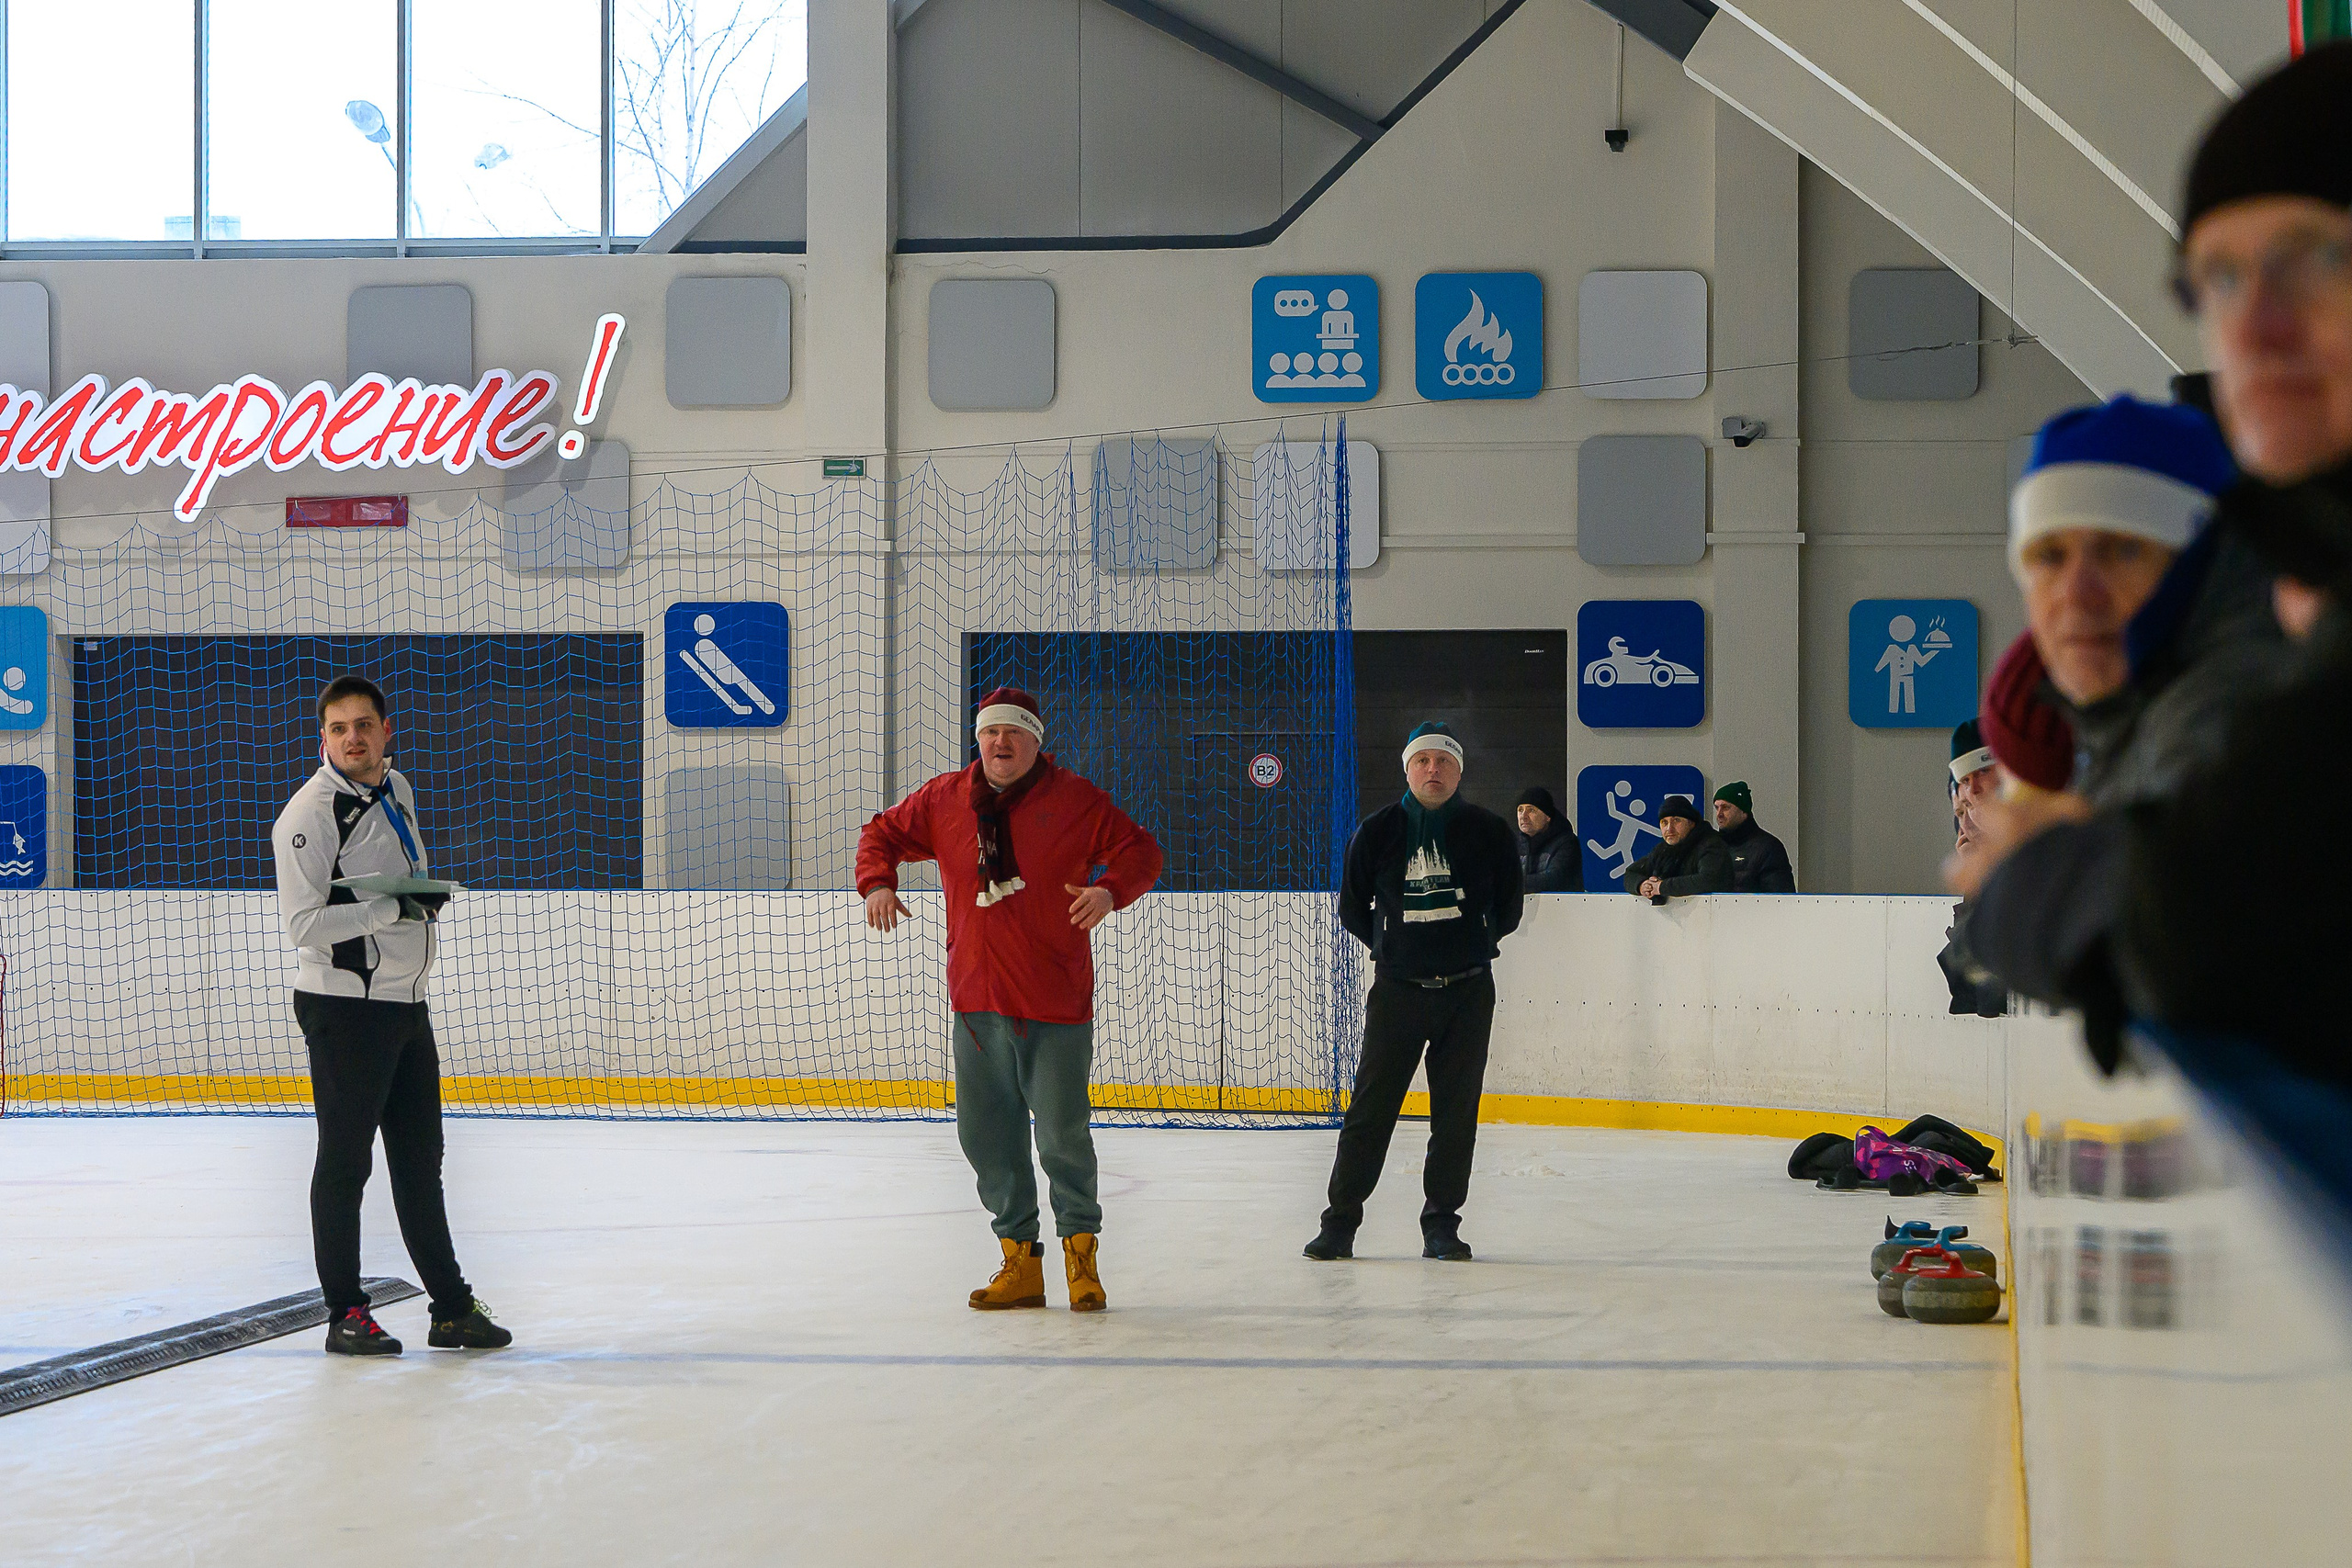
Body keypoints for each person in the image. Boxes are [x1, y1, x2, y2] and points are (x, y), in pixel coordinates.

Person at [857, 688, 1162, 1313]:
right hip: (976, 1004)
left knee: (1060, 1137)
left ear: (1036, 741)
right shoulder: (944, 799)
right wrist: (877, 884)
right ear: (978, 739)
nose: (1001, 743)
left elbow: (1142, 852)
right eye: (991, 733)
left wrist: (1109, 891)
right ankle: (1019, 1262)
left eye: (1014, 734)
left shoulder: (1076, 800)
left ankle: (1081, 1259)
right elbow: (880, 834)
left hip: (1054, 1003)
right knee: (988, 1138)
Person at [271, 675, 511, 1358]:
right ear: (322, 737)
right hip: (345, 1011)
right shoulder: (307, 818)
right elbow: (302, 924)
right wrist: (390, 908)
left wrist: (415, 900)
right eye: (340, 728)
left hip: (405, 1006)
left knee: (419, 1163)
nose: (353, 737)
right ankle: (345, 1312)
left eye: (365, 725)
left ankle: (452, 1309)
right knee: (345, 1165)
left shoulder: (396, 787)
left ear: (385, 731)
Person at [1306, 722, 1523, 1263]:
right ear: (1407, 769)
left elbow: (1510, 908)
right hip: (1398, 993)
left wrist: (1473, 942)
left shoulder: (1489, 831)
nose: (1433, 770)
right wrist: (1394, 946)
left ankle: (1441, 1225)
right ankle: (1340, 1223)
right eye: (1423, 761)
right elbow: (1354, 908)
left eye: (1444, 761)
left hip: (1467, 996)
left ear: (1458, 771)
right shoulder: (1376, 831)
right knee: (1371, 1110)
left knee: (1456, 1114)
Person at [1621, 795, 1730, 902]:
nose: (1669, 829)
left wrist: (1661, 887)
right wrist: (1642, 885)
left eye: (1677, 820)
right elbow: (1630, 873)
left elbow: (1708, 880)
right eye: (1664, 822)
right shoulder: (1662, 849)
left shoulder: (1711, 844)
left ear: (1691, 823)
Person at [1709, 782, 1794, 893]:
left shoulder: (1768, 848)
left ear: (1743, 810)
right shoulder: (1711, 846)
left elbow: (1781, 899)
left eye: (1725, 807)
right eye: (1717, 808)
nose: (1719, 814)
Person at [1513, 786, 1581, 891]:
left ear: (1547, 816)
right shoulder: (1514, 844)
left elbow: (1554, 880)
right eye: (1520, 810)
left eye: (1531, 810)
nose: (1524, 816)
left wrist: (1510, 883)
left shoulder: (1567, 842)